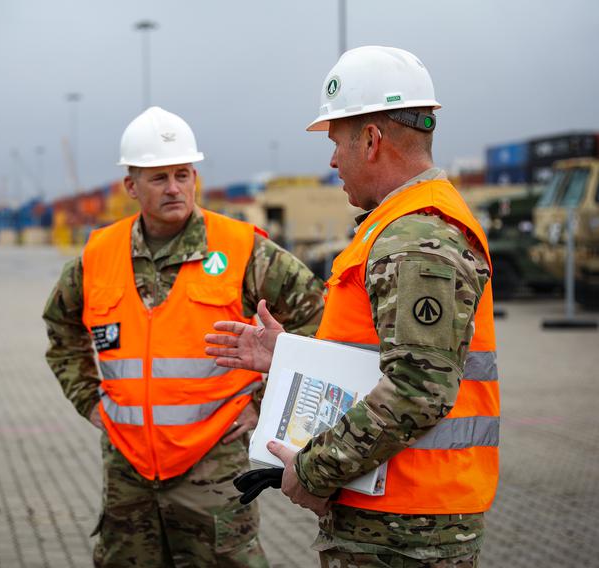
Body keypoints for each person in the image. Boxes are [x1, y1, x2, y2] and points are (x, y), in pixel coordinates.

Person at [206, 46, 500, 567]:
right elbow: (383, 358)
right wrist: (292, 357)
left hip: (407, 530)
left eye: (338, 142)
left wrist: (312, 470)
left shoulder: (416, 242)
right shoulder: (400, 229)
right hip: (394, 516)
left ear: (371, 140)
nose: (332, 160)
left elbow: (416, 390)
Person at [43, 106, 325, 567]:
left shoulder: (242, 249)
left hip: (213, 465)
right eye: (158, 178)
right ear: (130, 186)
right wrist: (87, 399)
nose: (174, 188)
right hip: (127, 469)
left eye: (183, 174)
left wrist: (266, 405)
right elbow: (60, 327)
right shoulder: (99, 255)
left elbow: (318, 319)